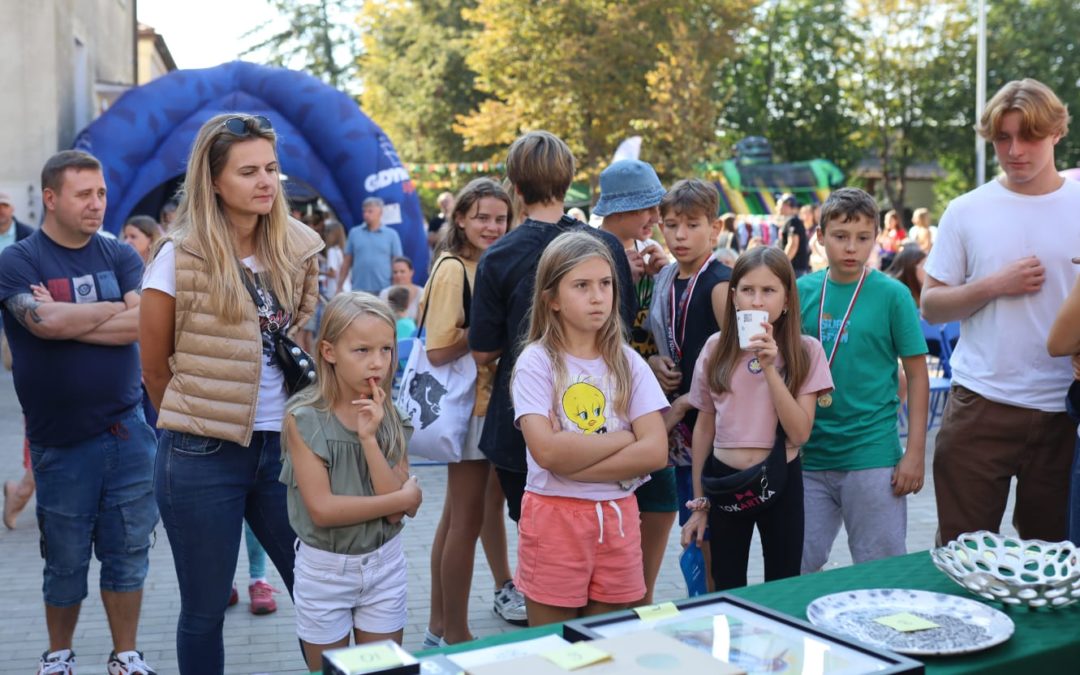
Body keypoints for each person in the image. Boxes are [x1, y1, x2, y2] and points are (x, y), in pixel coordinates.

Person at [139, 113, 323, 675]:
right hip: (200, 455)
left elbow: (301, 339)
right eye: (248, 172)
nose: (265, 181)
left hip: (284, 451)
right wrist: (200, 422)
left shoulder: (298, 248)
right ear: (214, 181)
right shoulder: (179, 255)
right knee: (204, 611)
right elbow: (154, 369)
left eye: (271, 168)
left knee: (319, 596)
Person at [0, 151, 158, 674]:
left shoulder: (120, 255)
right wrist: (115, 309)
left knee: (128, 553)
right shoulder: (19, 260)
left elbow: (146, 324)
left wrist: (70, 318)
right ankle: (59, 656)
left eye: (102, 193)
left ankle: (125, 656)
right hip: (61, 442)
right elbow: (41, 323)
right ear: (50, 198)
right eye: (83, 194)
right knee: (64, 560)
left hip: (129, 433)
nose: (97, 204)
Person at [922, 78, 1080, 544]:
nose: (1015, 150)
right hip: (981, 404)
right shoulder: (966, 210)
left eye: (1029, 136)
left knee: (1055, 563)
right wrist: (994, 285)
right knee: (962, 556)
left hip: (1064, 411)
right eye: (1002, 138)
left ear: (1057, 132)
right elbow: (931, 304)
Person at [469, 131, 636, 523]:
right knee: (599, 531)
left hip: (523, 421)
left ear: (515, 188)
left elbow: (483, 349)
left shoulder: (499, 256)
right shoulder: (606, 246)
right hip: (600, 416)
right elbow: (621, 326)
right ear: (568, 179)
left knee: (540, 540)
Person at [512, 231, 668, 624]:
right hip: (554, 519)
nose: (597, 297)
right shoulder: (536, 362)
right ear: (552, 298)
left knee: (608, 640)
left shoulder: (628, 363)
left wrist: (572, 461)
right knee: (554, 645)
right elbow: (546, 452)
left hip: (618, 518)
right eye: (581, 286)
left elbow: (655, 451)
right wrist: (625, 438)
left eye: (605, 284)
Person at [280, 292, 423, 672]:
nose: (377, 362)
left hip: (385, 564)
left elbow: (394, 517)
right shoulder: (304, 419)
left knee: (383, 670)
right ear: (328, 352)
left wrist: (369, 439)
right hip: (325, 571)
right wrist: (402, 498)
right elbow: (324, 511)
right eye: (362, 350)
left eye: (386, 349)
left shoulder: (390, 415)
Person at [682, 247, 833, 590]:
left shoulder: (806, 350)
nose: (757, 301)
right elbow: (704, 428)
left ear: (787, 299)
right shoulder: (715, 348)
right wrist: (700, 502)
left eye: (769, 291)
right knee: (726, 583)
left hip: (780, 477)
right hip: (725, 482)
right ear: (734, 297)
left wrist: (770, 368)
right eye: (748, 290)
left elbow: (800, 432)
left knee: (783, 584)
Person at [797, 187, 929, 574]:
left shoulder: (893, 295)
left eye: (863, 237)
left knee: (880, 570)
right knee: (794, 567)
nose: (851, 248)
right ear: (820, 236)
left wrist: (915, 453)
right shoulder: (800, 292)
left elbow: (917, 375)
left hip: (871, 456)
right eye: (840, 236)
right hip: (807, 455)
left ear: (876, 237)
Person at [420, 178, 526, 647]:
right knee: (464, 521)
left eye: (501, 218)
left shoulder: (486, 263)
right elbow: (438, 350)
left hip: (481, 403)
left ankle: (438, 628)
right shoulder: (452, 269)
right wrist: (487, 332)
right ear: (460, 218)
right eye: (482, 217)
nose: (492, 226)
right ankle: (457, 635)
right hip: (468, 408)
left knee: (455, 520)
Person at [592, 159, 673, 606]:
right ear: (622, 208)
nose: (656, 218)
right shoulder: (591, 253)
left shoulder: (655, 259)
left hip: (651, 410)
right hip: (605, 414)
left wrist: (666, 276)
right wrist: (617, 281)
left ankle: (643, 600)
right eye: (649, 208)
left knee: (661, 505)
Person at [646, 178, 730, 592]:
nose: (680, 235)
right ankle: (702, 604)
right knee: (694, 535)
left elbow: (738, 365)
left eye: (692, 225)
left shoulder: (721, 284)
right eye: (672, 225)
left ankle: (716, 606)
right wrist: (654, 362)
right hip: (681, 435)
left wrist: (688, 401)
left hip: (717, 434)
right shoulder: (665, 278)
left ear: (715, 228)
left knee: (712, 537)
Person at [0, 190, 36, 531]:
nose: (1, 212)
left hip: (17, 329)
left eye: (4, 205)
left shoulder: (28, 238)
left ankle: (20, 491)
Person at [337, 196, 403, 295]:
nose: (366, 214)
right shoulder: (354, 233)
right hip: (359, 288)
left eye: (370, 211)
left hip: (384, 289)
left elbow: (397, 263)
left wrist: (396, 286)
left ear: (380, 213)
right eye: (364, 211)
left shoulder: (392, 235)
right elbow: (347, 261)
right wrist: (339, 286)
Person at [378, 256, 422, 321]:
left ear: (411, 272)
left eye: (402, 271)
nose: (398, 275)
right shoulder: (385, 293)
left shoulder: (421, 293)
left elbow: (422, 322)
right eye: (395, 272)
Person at [779, 195, 810, 277]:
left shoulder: (793, 221)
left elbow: (793, 245)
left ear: (787, 205)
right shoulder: (792, 220)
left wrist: (781, 263)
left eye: (779, 204)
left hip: (795, 269)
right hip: (795, 268)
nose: (777, 207)